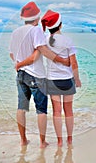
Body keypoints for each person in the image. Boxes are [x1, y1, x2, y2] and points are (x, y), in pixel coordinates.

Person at [9, 2, 69, 148]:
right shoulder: (36, 31)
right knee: (41, 110)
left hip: (21, 75)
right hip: (36, 75)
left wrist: (18, 64)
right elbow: (40, 52)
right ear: (37, 17)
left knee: (21, 107)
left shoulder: (15, 32)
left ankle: (23, 140)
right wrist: (61, 60)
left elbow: (12, 54)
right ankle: (42, 142)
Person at [41, 9, 81, 147]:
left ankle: (59, 141)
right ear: (60, 25)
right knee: (68, 110)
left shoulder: (45, 40)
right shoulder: (68, 41)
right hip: (67, 80)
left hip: (52, 80)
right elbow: (74, 63)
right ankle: (70, 139)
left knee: (56, 111)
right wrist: (77, 79)